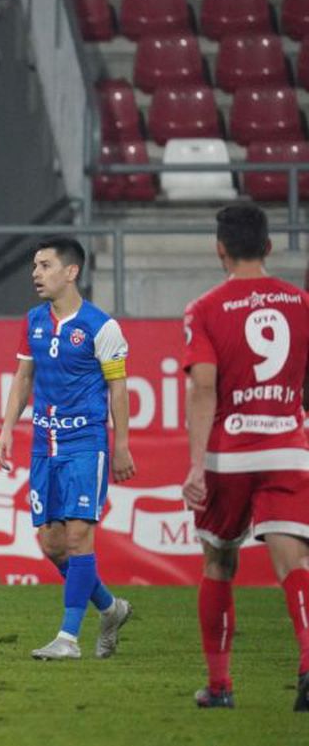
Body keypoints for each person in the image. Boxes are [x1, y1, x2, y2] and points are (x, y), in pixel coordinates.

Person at [181, 204, 309, 711]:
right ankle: (307, 664)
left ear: (220, 249)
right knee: (293, 559)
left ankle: (220, 686)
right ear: (269, 247)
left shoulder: (205, 308)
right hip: (287, 447)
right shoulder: (301, 302)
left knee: (218, 561)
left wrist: (195, 464)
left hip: (228, 455)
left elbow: (204, 389)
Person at [0, 236, 136, 660]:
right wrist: (6, 429)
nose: (36, 273)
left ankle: (68, 638)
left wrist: (122, 445)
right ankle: (110, 608)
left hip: (85, 444)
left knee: (78, 537)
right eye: (34, 266)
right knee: (53, 545)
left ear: (71, 272)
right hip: (44, 445)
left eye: (45, 265)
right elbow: (23, 378)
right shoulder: (34, 320)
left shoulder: (101, 326)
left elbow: (118, 387)